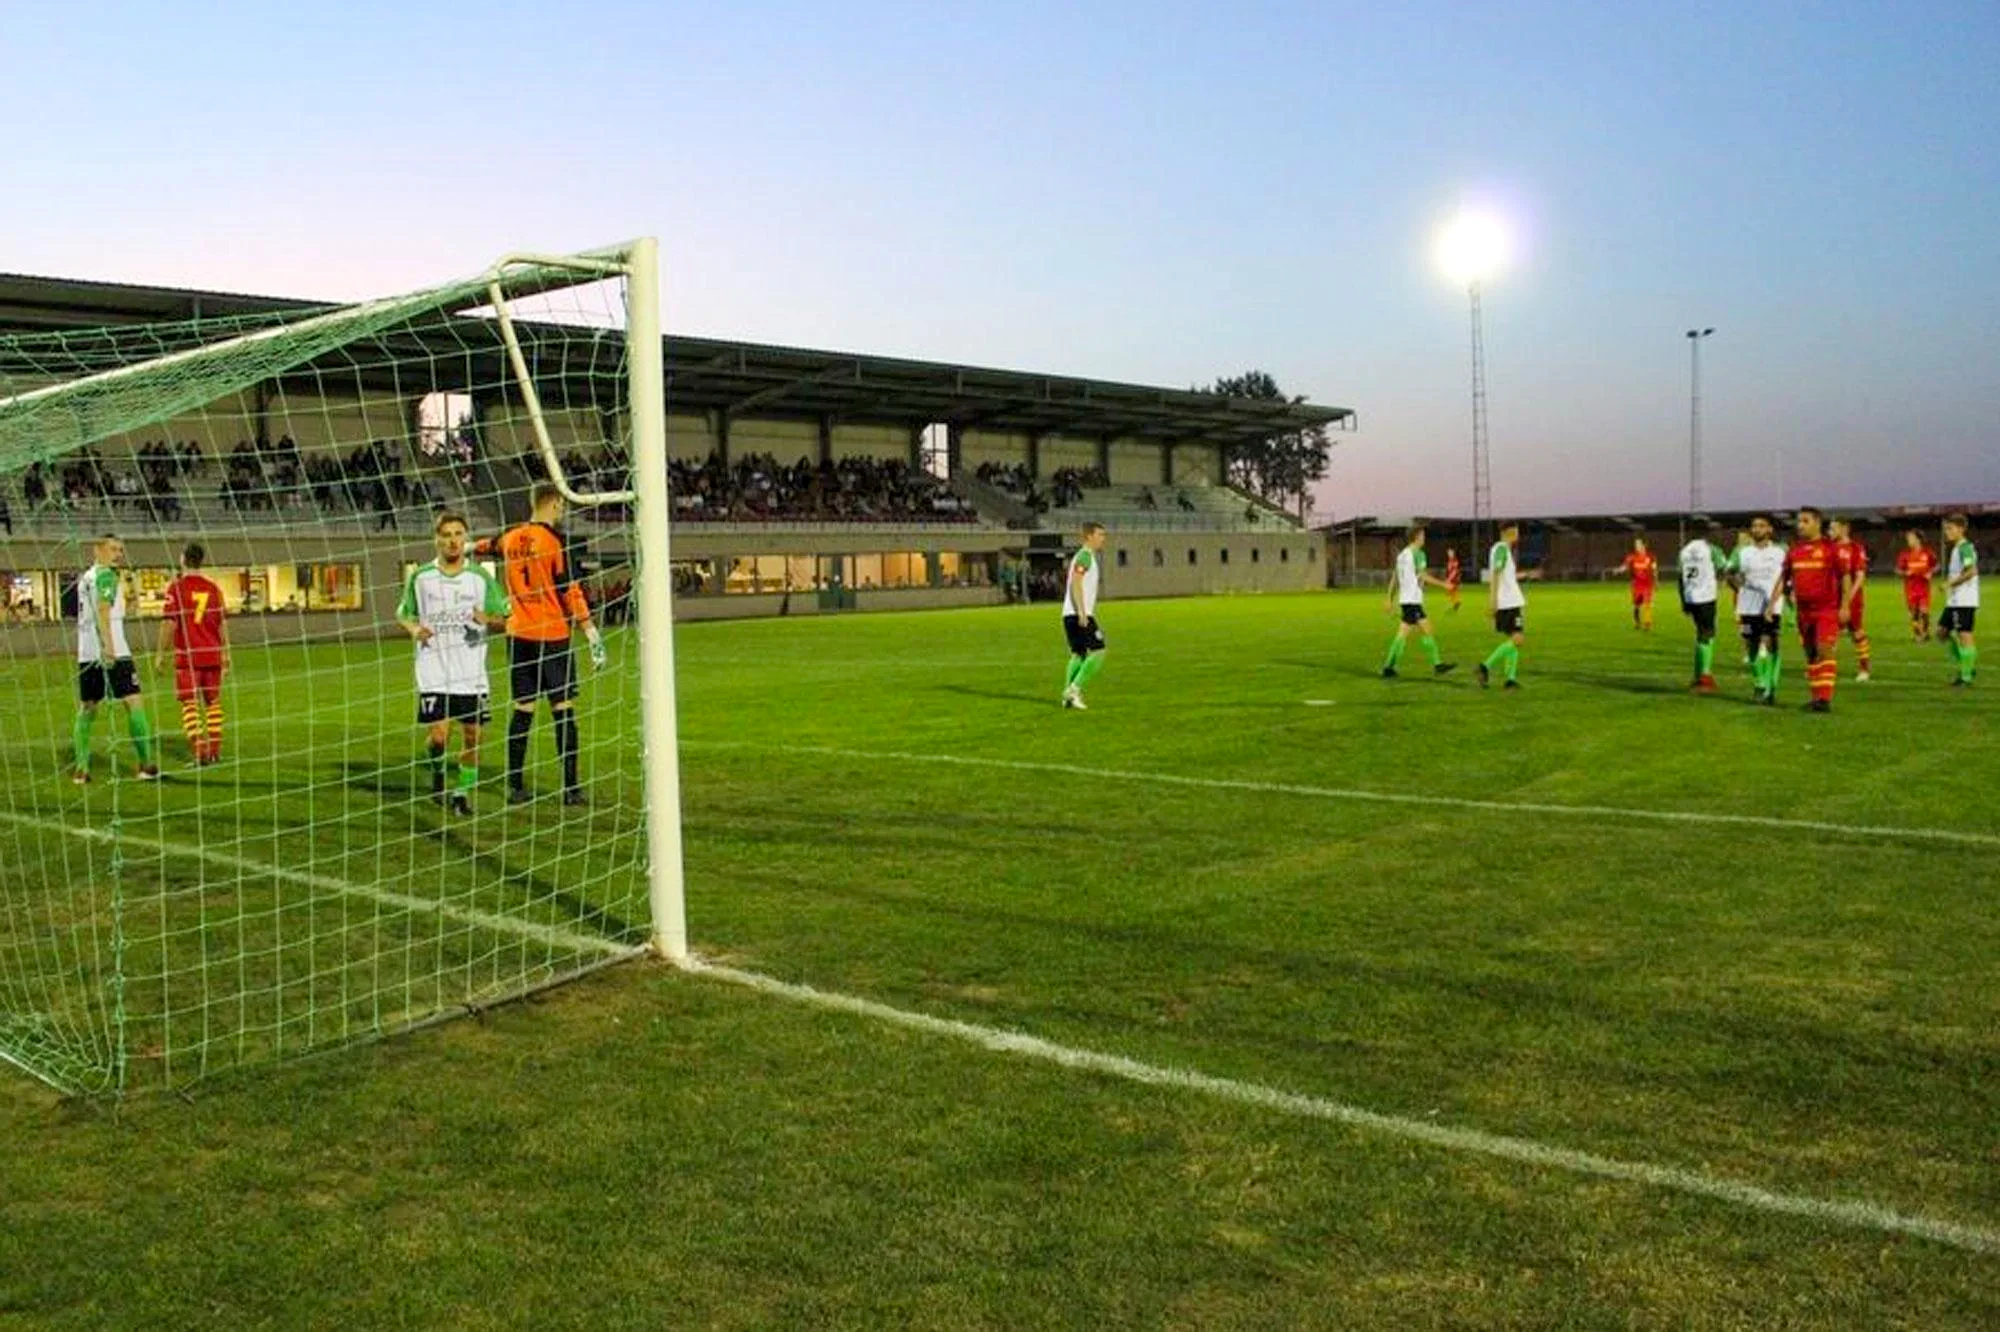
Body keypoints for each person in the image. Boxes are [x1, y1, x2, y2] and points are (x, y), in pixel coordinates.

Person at [492, 483, 605, 806]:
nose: (563, 511)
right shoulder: (555, 542)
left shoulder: (511, 537)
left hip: (518, 636)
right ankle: (571, 789)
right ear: (554, 503)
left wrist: (472, 545)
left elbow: (490, 545)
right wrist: (590, 631)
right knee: (563, 710)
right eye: (562, 506)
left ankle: (515, 787)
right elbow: (570, 590)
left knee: (523, 710)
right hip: (551, 636)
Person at [398, 512, 509, 814]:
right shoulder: (421, 577)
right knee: (439, 736)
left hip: (471, 673)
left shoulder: (481, 577)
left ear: (465, 538)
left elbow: (506, 620)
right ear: (437, 540)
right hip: (433, 670)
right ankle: (437, 772)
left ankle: (461, 793)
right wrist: (414, 630)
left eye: (458, 534)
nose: (453, 540)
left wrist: (488, 619)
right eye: (446, 534)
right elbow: (403, 613)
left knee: (473, 735)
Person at [70, 534, 157, 783]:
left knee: (87, 708)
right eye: (113, 549)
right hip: (114, 651)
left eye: (120, 550)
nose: (118, 554)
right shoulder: (107, 575)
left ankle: (82, 769)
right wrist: (108, 646)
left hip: (86, 653)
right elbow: (103, 610)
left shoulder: (86, 577)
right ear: (97, 550)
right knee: (134, 702)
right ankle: (145, 765)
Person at [154, 542, 229, 764]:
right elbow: (221, 623)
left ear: (183, 559)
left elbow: (170, 623)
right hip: (212, 653)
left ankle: (200, 751)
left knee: (189, 703)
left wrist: (160, 653)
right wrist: (226, 654)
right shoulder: (214, 589)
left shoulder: (176, 588)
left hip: (189, 656)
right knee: (213, 702)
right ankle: (215, 751)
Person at [1782, 507, 1843, 713]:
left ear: (1817, 523)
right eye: (1799, 521)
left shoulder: (1829, 548)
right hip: (1803, 611)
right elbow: (1786, 577)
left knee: (1824, 649)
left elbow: (1846, 577)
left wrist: (1845, 606)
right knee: (1810, 653)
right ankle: (1816, 698)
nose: (1800, 525)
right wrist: (1784, 596)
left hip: (1826, 609)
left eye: (1805, 521)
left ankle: (1825, 699)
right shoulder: (1795, 550)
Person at [1381, 524, 1456, 678]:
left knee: (1416, 631)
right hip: (1413, 600)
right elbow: (1422, 576)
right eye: (1422, 535)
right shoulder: (1418, 554)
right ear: (1417, 537)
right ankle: (1437, 665)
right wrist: (1444, 585)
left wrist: (1389, 598)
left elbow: (1395, 578)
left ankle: (1389, 667)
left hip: (1406, 600)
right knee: (1412, 632)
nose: (1424, 538)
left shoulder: (1402, 555)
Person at [1736, 516, 1788, 704]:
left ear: (1770, 530)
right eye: (1754, 526)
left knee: (1770, 643)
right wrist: (1739, 584)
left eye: (1761, 526)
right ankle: (1760, 682)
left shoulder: (1780, 552)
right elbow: (1731, 573)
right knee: (1752, 645)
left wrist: (1775, 601)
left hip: (1772, 607)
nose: (1756, 529)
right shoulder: (1742, 552)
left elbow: (1785, 578)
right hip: (1748, 605)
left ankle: (1768, 686)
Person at [1476, 522, 1530, 689]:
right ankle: (1484, 667)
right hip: (1508, 603)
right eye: (1516, 531)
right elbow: (1496, 574)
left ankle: (1510, 679)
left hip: (1509, 601)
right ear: (1510, 532)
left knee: (1514, 639)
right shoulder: (1501, 549)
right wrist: (1493, 601)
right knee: (1518, 639)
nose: (1518, 534)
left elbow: (1507, 576)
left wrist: (1525, 574)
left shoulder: (1502, 549)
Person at [1061, 522, 1108, 710]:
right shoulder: (1085, 556)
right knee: (1099, 651)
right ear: (1089, 536)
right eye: (1100, 534)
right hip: (1079, 613)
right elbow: (1076, 583)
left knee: (1078, 654)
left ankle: (1068, 696)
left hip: (1068, 613)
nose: (1103, 538)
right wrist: (1082, 611)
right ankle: (1074, 688)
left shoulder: (1085, 557)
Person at [1677, 530, 1730, 692]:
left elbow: (1680, 577)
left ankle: (1697, 674)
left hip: (1690, 596)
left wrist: (1683, 601)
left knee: (1700, 634)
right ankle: (1705, 677)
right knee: (1707, 634)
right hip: (1706, 597)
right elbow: (1725, 566)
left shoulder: (1684, 551)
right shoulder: (1711, 549)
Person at [1828, 517, 1873, 682]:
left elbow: (1860, 576)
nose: (1829, 532)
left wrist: (1848, 598)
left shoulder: (1855, 548)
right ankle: (1826, 668)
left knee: (1856, 633)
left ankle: (1864, 668)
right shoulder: (1829, 548)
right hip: (1831, 599)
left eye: (1833, 529)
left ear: (1844, 529)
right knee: (1828, 634)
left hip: (1852, 599)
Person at [1939, 512, 1979, 687]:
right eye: (1946, 528)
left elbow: (1971, 572)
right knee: (1942, 632)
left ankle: (1966, 675)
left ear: (1961, 529)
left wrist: (1950, 584)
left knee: (1964, 635)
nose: (1947, 532)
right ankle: (1967, 666)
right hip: (1954, 600)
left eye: (1950, 528)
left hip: (1965, 599)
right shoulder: (1957, 548)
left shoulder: (1965, 547)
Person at [1894, 528, 1938, 642]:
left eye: (1911, 538)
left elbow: (1936, 566)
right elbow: (1897, 570)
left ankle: (1926, 632)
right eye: (1908, 538)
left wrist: (1930, 572)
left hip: (1924, 587)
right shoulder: (1905, 554)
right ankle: (1918, 635)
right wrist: (1905, 573)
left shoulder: (1927, 553)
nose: (1908, 540)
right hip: (1910, 588)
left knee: (1924, 612)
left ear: (1918, 539)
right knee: (1914, 613)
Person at [1618, 537, 1658, 631]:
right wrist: (1619, 570)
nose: (1637, 546)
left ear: (1644, 545)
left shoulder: (1651, 557)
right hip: (1637, 585)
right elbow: (1625, 566)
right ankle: (1637, 622)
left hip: (1648, 584)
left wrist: (1656, 581)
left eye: (1639, 544)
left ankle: (1647, 623)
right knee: (1637, 605)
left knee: (1647, 603)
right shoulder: (1632, 557)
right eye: (1636, 544)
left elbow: (1654, 569)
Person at [1443, 546, 1463, 612]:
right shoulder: (1450, 560)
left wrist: (1449, 579)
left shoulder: (1454, 560)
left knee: (1450, 591)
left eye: (1450, 552)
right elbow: (1449, 570)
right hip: (1452, 579)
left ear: (1453, 553)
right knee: (1452, 592)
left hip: (1453, 579)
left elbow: (1454, 571)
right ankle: (1456, 603)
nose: (1449, 554)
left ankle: (1456, 603)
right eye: (1448, 553)